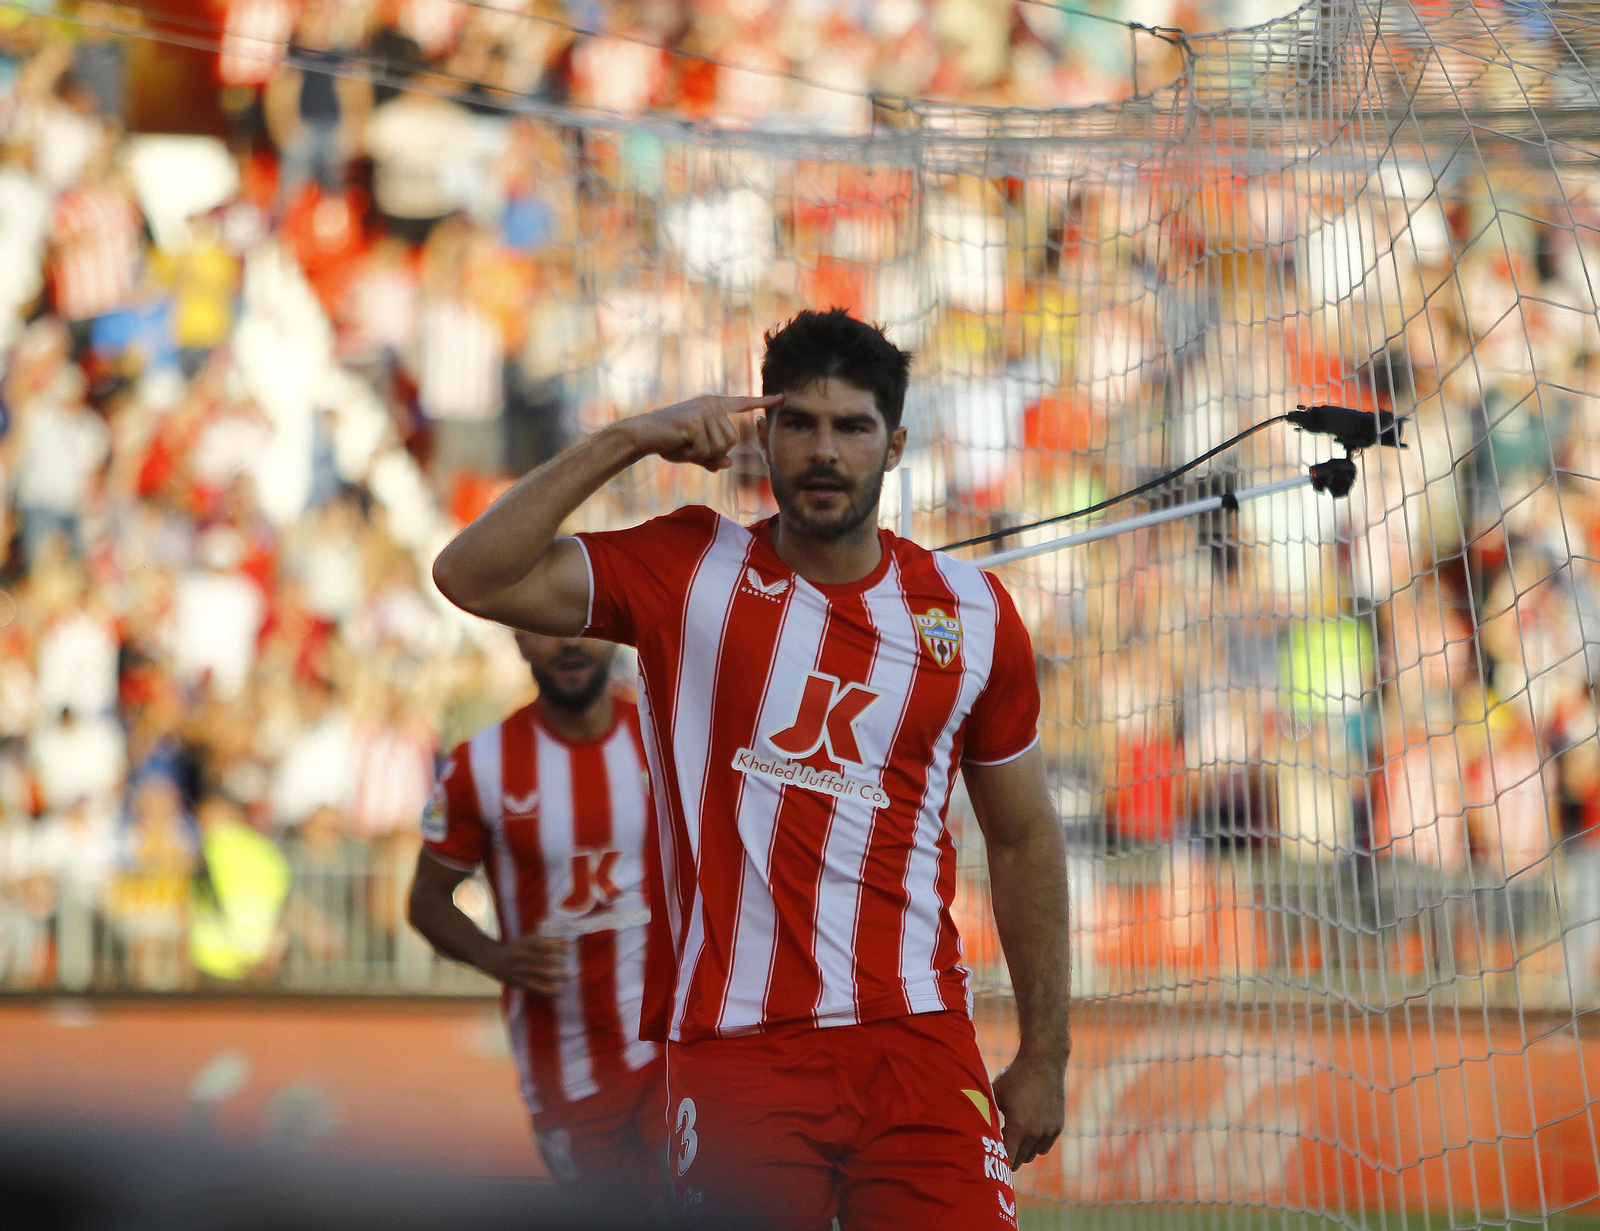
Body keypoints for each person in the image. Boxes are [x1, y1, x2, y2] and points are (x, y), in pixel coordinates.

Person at [431, 308, 1071, 1229]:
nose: (824, 451)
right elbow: (471, 574)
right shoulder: (687, 565)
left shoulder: (970, 614)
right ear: (761, 434)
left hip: (919, 1040)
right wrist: (628, 438)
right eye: (799, 423)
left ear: (894, 447)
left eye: (851, 427)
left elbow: (1021, 837)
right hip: (738, 1049)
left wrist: (1045, 1052)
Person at [407, 630, 666, 1208]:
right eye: (546, 629)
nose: (567, 644)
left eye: (582, 626)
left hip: (672, 1050)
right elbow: (425, 901)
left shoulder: (664, 733)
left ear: (611, 631)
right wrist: (494, 956)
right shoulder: (483, 764)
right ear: (520, 640)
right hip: (566, 1066)